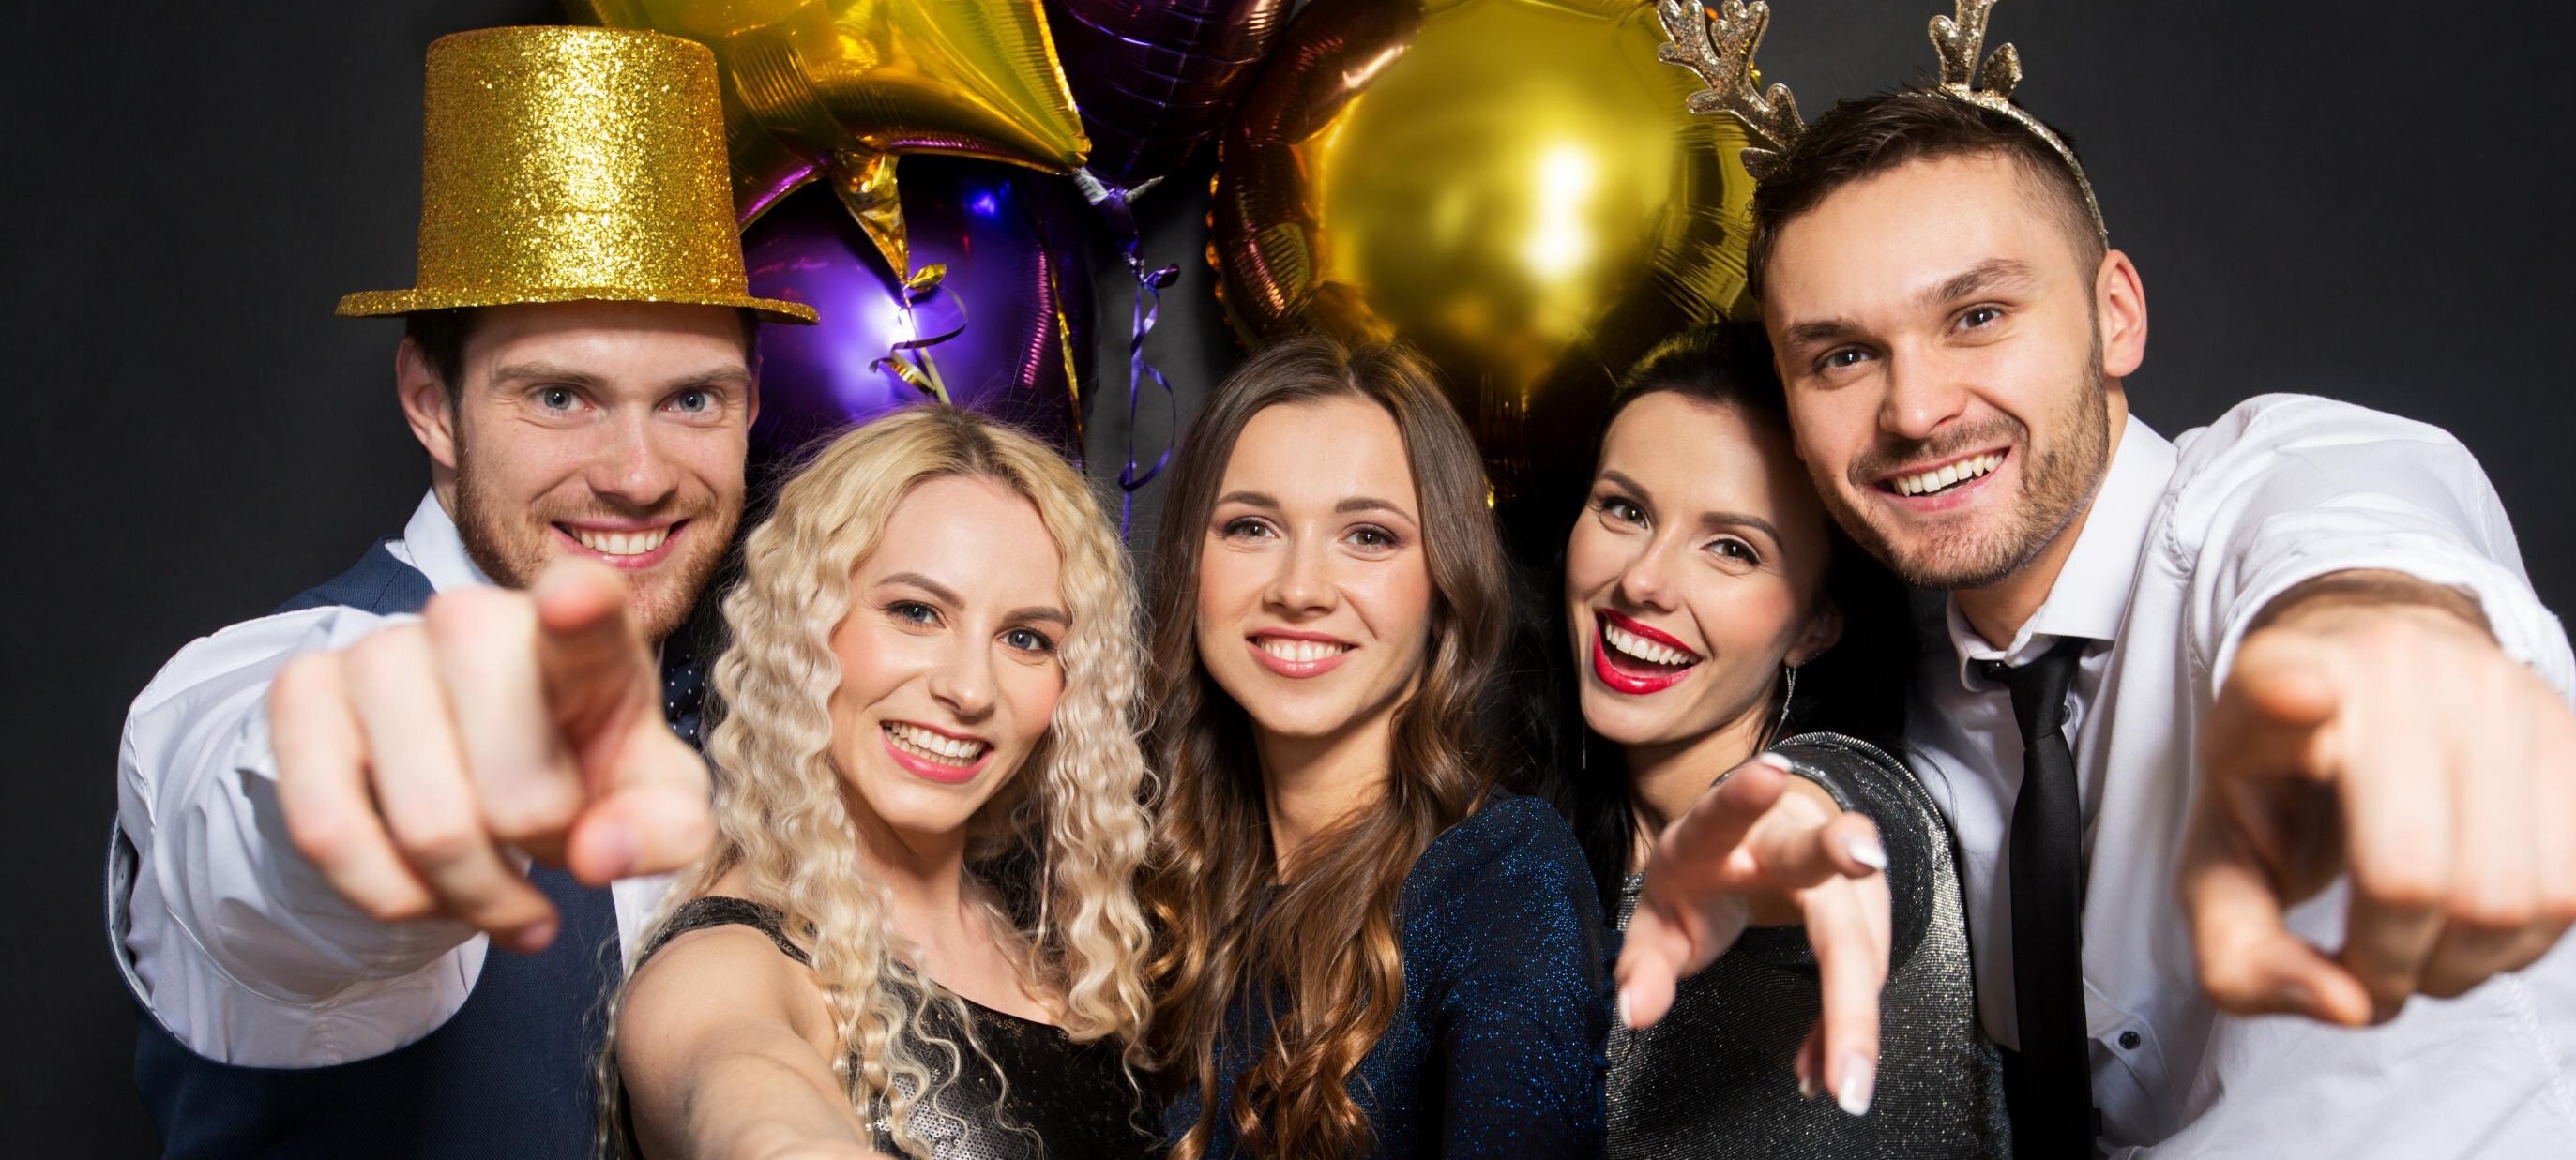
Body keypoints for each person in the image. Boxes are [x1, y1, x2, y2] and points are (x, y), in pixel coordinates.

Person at [1626, 3, 2576, 1155]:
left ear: (2116, 316)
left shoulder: (2281, 487)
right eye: (1842, 356)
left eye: (1978, 316)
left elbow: (2353, 555)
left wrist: (2371, 663)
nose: (1917, 410)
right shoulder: (1924, 701)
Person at [107, 27, 816, 1158]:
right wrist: (369, 779)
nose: (639, 475)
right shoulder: (259, 681)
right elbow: (247, 822)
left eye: (692, 399)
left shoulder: (765, 700)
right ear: (431, 404)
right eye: (561, 396)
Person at [605, 407, 1153, 1158]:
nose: (970, 688)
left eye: (1026, 638)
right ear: (804, 628)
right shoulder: (724, 962)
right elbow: (743, 1089)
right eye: (916, 611)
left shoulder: (1058, 948)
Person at [1538, 322, 2006, 1156]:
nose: (1643, 579)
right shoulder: (1533, 834)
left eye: (1732, 548)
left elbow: (1837, 820)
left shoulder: (1848, 793)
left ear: (1816, 624)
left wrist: (1808, 837)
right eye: (1624, 509)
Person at [1140, 334, 1609, 1159]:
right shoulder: (1160, 879)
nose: (1299, 588)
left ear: (1446, 585)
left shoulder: (1500, 875)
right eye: (1251, 526)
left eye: (1368, 536)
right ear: (1190, 563)